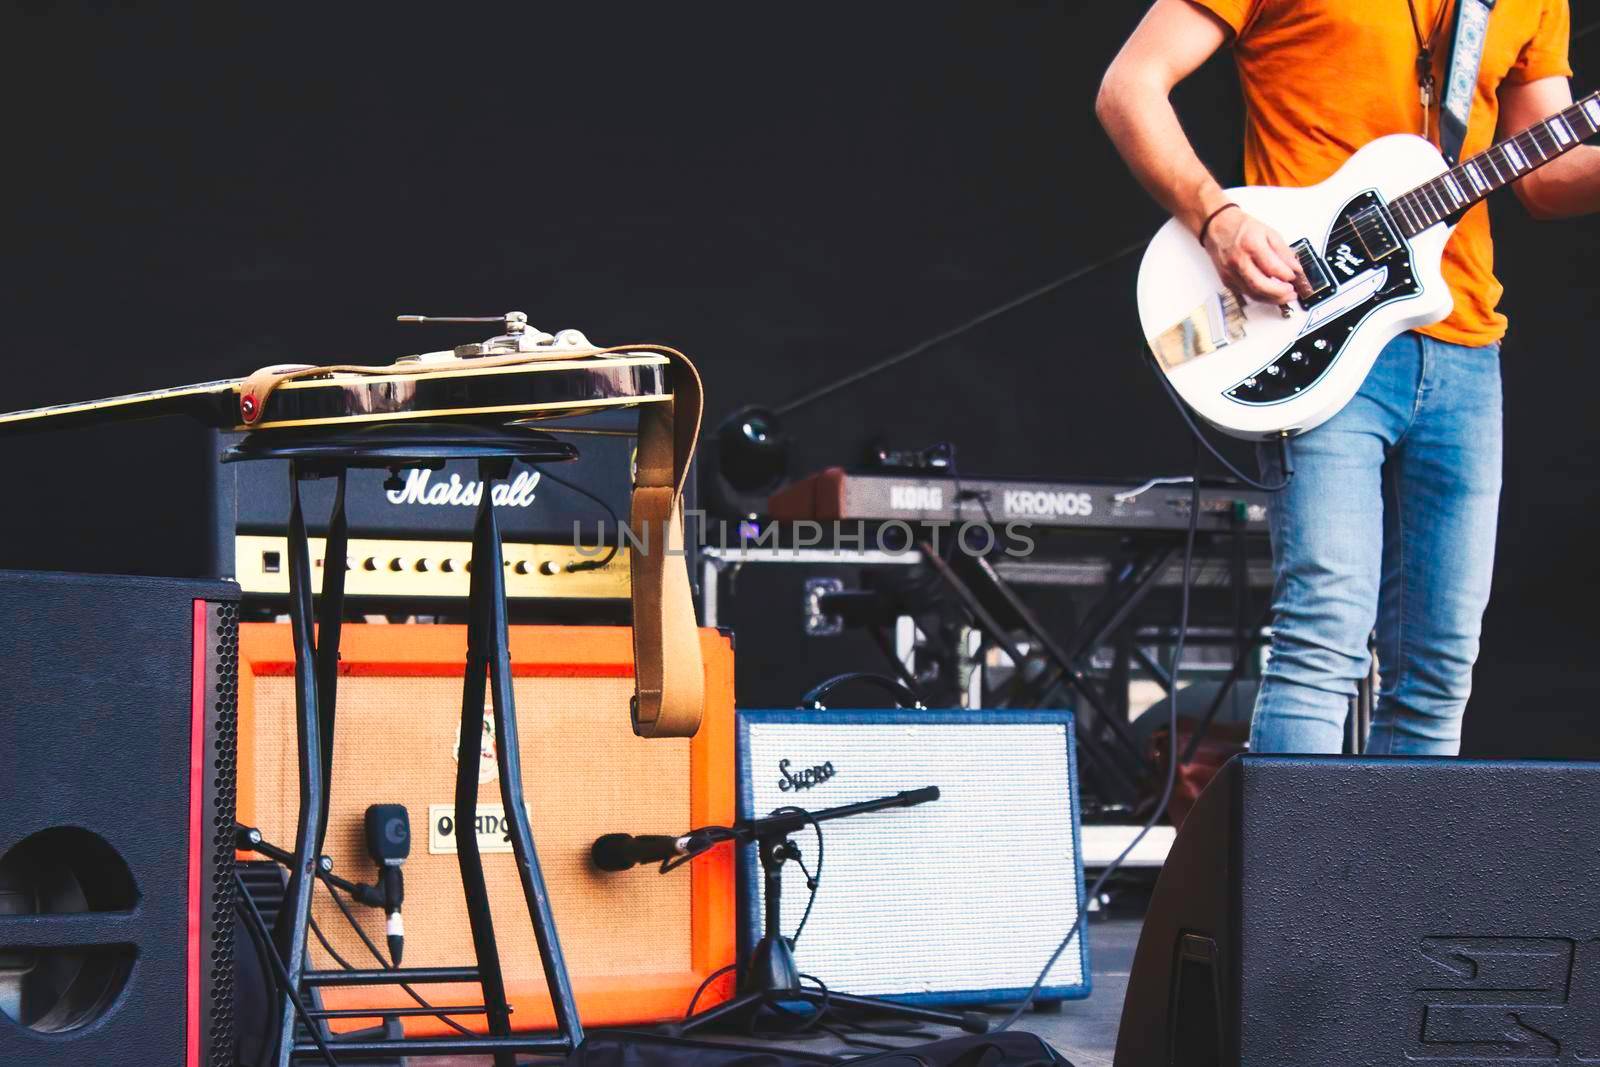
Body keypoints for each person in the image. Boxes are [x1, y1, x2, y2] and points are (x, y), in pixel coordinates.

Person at [1096, 0, 1600, 755]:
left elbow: (1546, 173)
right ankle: (1287, 877)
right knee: (1322, 640)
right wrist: (1218, 219)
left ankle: (1396, 878)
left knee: (1438, 672)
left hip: (1464, 343)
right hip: (1314, 322)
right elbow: (1129, 86)